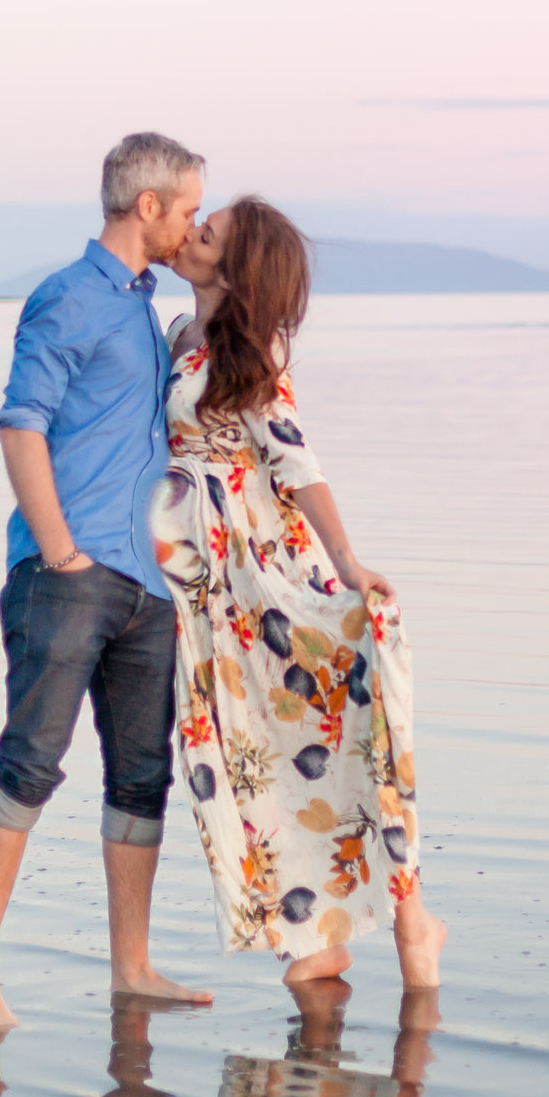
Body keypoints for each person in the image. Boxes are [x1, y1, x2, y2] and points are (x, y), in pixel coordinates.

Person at [154, 197, 446, 987]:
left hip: (259, 575)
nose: (189, 238)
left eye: (204, 234)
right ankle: (312, 941)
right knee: (239, 751)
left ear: (235, 268)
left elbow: (295, 460)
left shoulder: (247, 352)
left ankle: (413, 917)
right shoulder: (178, 337)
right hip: (206, 595)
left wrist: (348, 561)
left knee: (324, 742)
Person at [0, 131, 215, 1029]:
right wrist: (59, 547)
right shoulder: (67, 298)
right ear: (147, 207)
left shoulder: (149, 311)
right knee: (30, 763)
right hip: (67, 575)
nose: (192, 224)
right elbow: (21, 422)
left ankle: (132, 967)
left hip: (149, 585)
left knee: (142, 779)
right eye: (186, 209)